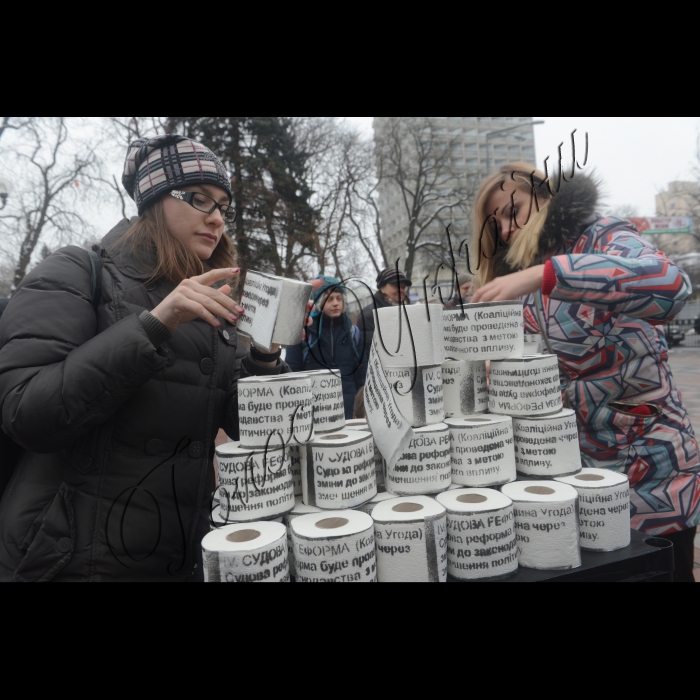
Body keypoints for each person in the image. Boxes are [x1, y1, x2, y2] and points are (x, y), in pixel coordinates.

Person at [0, 134, 311, 583]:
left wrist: (265, 357)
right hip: (68, 557)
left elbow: (245, 431)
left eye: (224, 206)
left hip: (175, 555)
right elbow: (27, 412)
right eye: (199, 198)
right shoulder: (76, 271)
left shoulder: (211, 304)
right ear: (153, 201)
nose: (217, 218)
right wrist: (155, 324)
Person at [471, 162, 700, 582]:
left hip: (651, 473)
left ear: (542, 195)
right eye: (495, 220)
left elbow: (671, 286)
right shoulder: (518, 280)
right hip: (582, 482)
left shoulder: (602, 234)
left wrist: (548, 274)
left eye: (512, 209)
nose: (504, 228)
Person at [286, 277, 363, 420]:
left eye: (339, 298)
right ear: (319, 302)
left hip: (349, 409)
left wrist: (361, 407)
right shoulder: (303, 332)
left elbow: (362, 374)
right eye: (329, 299)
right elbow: (292, 372)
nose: (335, 303)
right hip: (314, 409)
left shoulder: (353, 333)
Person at [358, 268, 412, 384]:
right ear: (382, 288)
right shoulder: (369, 315)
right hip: (385, 380)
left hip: (410, 376)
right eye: (395, 286)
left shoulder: (410, 312)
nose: (401, 290)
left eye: (403, 287)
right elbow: (369, 355)